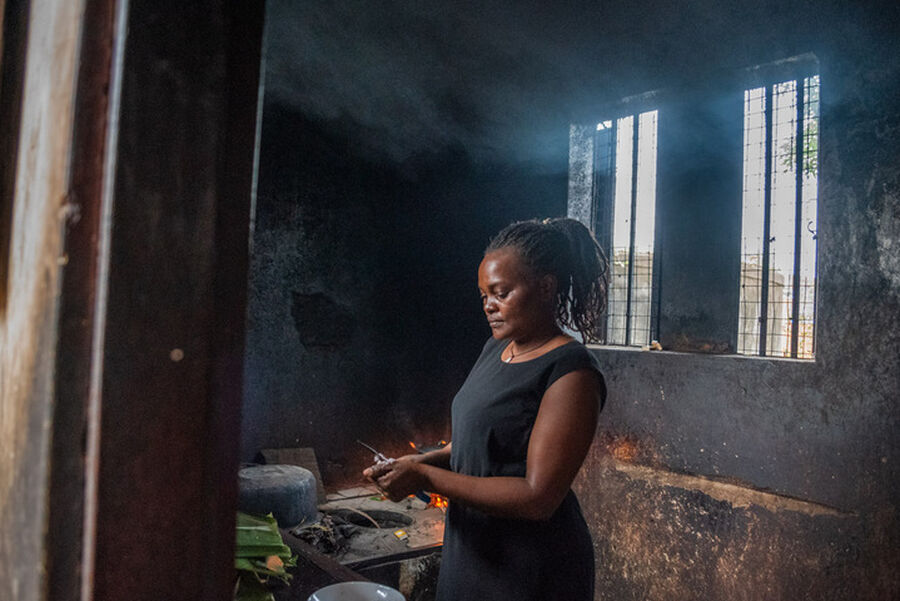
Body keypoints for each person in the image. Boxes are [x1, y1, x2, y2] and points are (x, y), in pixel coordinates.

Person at [363, 217, 608, 601]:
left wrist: (425, 479)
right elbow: (475, 447)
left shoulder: (571, 371)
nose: (488, 306)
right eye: (483, 296)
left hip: (530, 567)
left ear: (546, 287)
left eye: (501, 292)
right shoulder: (496, 348)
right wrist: (414, 465)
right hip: (472, 549)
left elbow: (538, 497)